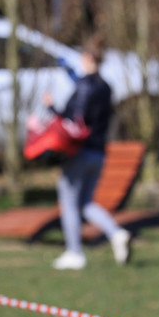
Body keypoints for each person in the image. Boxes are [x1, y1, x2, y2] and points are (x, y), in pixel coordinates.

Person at [44, 34, 132, 270]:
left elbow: (74, 121)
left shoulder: (84, 86)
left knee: (69, 203)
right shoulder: (106, 87)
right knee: (86, 204)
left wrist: (51, 108)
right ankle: (116, 233)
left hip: (79, 153)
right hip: (99, 153)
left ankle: (75, 253)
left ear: (87, 57)